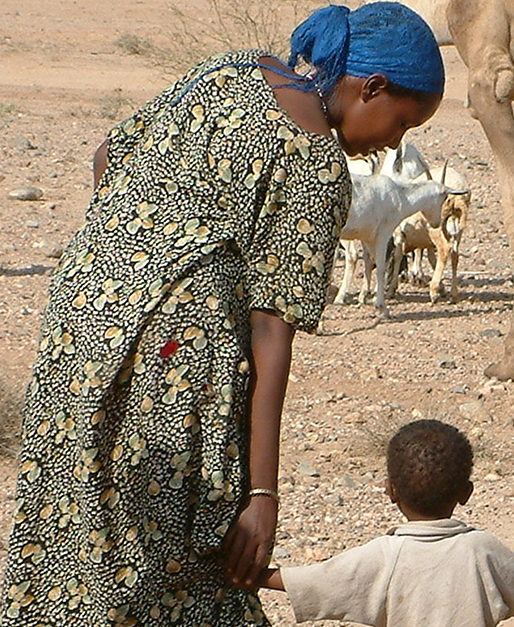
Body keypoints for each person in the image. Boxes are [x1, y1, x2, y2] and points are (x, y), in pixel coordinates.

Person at [0, 3, 443, 625]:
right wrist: (262, 493)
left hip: (79, 321)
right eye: (400, 122)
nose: (394, 143)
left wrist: (128, 246)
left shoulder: (230, 71)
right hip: (175, 365)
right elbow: (271, 328)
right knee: (182, 553)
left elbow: (109, 152)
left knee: (73, 519)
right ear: (371, 87)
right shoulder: (316, 161)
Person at [256, 420, 514, 626]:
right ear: (466, 493)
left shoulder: (384, 555)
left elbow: (318, 581)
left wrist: (253, 575)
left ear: (390, 490)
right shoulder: (482, 550)